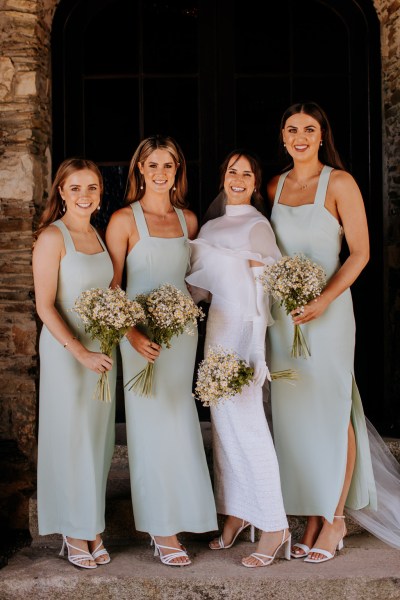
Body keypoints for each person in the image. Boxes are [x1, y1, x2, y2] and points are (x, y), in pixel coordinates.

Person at [266, 101, 400, 563]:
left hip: (329, 312)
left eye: (308, 129)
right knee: (293, 413)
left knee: (331, 407)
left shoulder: (340, 183)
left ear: (322, 135)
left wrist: (323, 299)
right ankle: (310, 514)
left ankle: (336, 514)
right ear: (282, 137)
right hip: (284, 317)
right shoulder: (274, 184)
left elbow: (360, 253)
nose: (299, 136)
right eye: (291, 129)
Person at [105, 134, 218, 567]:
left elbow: (194, 281)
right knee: (150, 428)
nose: (159, 172)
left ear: (177, 171)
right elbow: (113, 288)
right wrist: (131, 335)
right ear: (139, 169)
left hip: (181, 337)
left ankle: (186, 513)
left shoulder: (189, 221)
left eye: (167, 165)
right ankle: (160, 528)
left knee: (179, 421)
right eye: (151, 164)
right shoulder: (123, 220)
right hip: (140, 340)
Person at [186, 149, 291, 568]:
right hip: (216, 330)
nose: (239, 178)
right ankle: (236, 511)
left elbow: (268, 289)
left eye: (247, 173)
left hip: (245, 332)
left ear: (254, 182)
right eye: (233, 171)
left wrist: (255, 352)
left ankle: (274, 525)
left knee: (248, 427)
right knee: (223, 427)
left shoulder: (257, 225)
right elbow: (201, 290)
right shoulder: (210, 225)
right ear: (223, 177)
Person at [33, 158, 116, 569]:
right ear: (61, 193)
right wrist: (79, 351)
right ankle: (73, 528)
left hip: (102, 349)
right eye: (76, 188)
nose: (85, 195)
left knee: (97, 442)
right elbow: (45, 306)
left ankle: (92, 524)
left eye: (92, 188)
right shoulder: (53, 237)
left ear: (100, 193)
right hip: (69, 351)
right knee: (72, 438)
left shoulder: (98, 236)